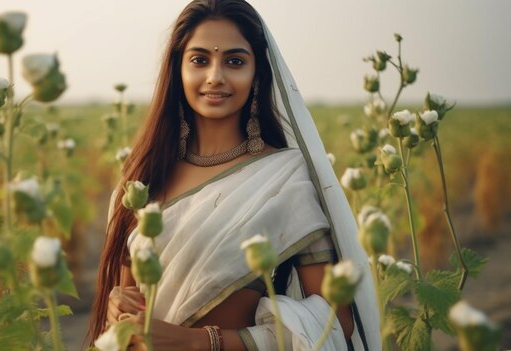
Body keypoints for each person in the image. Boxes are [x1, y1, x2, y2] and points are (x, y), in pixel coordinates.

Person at [87, 0, 380, 350]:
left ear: (257, 73)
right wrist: (119, 305)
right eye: (199, 60)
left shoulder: (284, 178)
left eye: (235, 61)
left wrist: (200, 342)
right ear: (177, 70)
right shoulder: (145, 176)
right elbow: (129, 307)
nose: (215, 76)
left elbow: (334, 321)